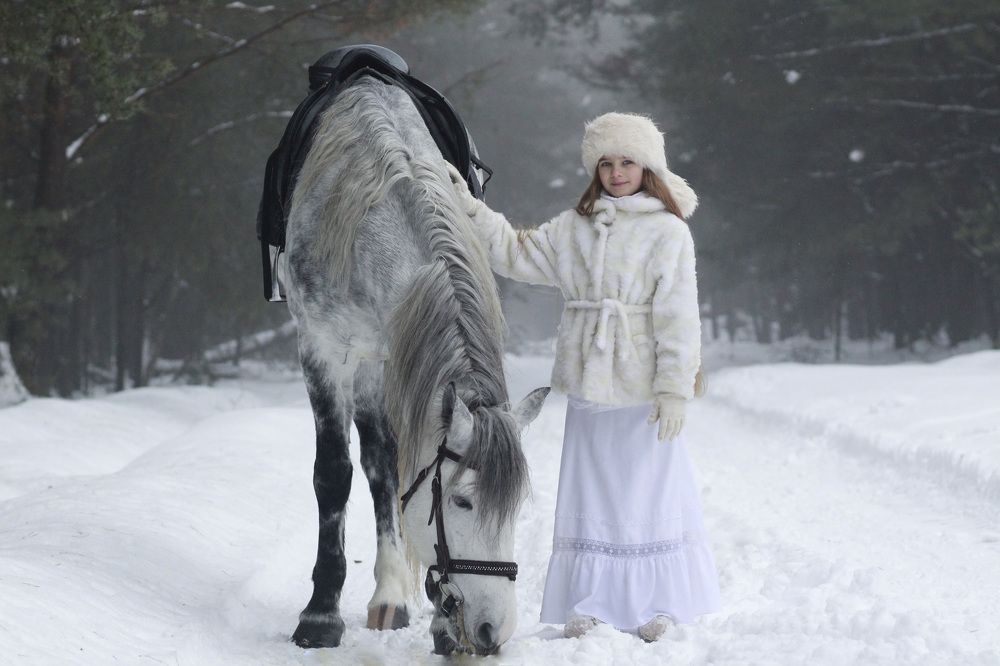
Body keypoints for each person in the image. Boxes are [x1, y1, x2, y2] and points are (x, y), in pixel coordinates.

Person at [447, 112, 720, 642]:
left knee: (649, 490)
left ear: (648, 167)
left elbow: (679, 315)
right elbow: (513, 252)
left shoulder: (667, 231)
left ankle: (657, 603)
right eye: (606, 163)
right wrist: (468, 207)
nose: (617, 172)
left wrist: (673, 390)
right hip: (590, 384)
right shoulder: (574, 226)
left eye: (627, 162)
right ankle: (590, 600)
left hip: (642, 387)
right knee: (591, 490)